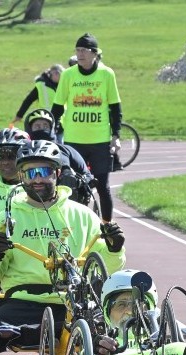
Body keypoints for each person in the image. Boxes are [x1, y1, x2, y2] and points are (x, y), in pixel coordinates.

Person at [0, 140, 125, 352]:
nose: (37, 180)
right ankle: (35, 333)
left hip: (71, 303)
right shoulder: (4, 218)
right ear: (21, 177)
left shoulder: (83, 215)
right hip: (22, 301)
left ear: (57, 173)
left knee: (111, 327)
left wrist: (114, 249)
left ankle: (43, 335)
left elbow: (103, 270)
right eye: (29, 173)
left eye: (43, 171)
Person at [52, 33, 122, 227]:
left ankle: (107, 224)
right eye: (77, 50)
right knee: (71, 184)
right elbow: (57, 107)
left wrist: (116, 136)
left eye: (84, 50)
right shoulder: (68, 75)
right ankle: (73, 223)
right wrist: (52, 130)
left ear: (94, 54)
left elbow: (115, 107)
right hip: (74, 140)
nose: (80, 54)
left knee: (102, 186)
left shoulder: (107, 74)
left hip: (99, 140)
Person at [9, 63, 63, 128]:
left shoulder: (63, 85)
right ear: (53, 73)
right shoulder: (41, 86)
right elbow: (29, 100)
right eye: (60, 74)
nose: (62, 77)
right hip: (46, 122)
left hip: (62, 123)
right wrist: (19, 115)